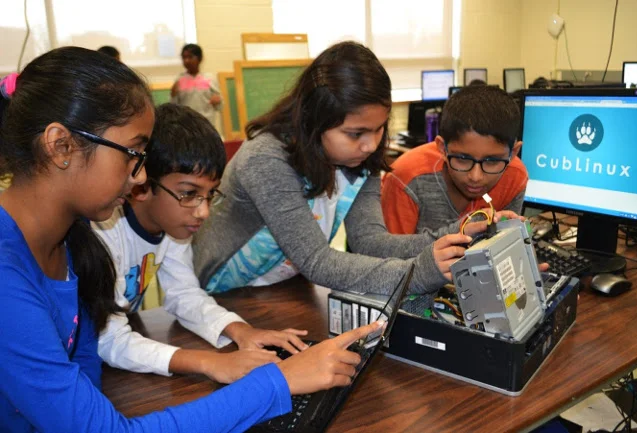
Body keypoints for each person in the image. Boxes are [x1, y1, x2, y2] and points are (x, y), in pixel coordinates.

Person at [0, 46, 385, 432]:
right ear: (61, 146)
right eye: (133, 153)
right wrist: (278, 382)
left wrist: (241, 339)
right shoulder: (12, 273)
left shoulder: (69, 244)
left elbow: (86, 382)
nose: (139, 177)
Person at [192, 41, 475, 297]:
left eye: (379, 129)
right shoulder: (266, 158)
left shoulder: (359, 158)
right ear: (314, 121)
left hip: (283, 288)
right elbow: (317, 261)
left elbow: (370, 242)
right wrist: (417, 273)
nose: (370, 145)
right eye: (355, 134)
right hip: (219, 293)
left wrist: (456, 236)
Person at [94, 102, 310, 383]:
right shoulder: (104, 233)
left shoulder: (172, 227)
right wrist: (209, 363)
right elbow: (108, 340)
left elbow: (184, 294)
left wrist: (242, 331)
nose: (203, 211)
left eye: (210, 195)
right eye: (189, 193)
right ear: (143, 185)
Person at [381, 85, 528, 236]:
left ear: (513, 153)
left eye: (491, 161)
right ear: (442, 149)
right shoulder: (406, 179)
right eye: (462, 159)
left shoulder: (515, 176)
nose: (475, 177)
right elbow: (388, 256)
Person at [171, 43, 221, 124]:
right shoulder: (179, 80)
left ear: (199, 59)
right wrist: (173, 95)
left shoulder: (210, 79)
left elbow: (219, 106)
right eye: (184, 57)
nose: (186, 61)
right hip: (187, 125)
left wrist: (218, 101)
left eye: (190, 57)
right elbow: (174, 107)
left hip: (207, 125)